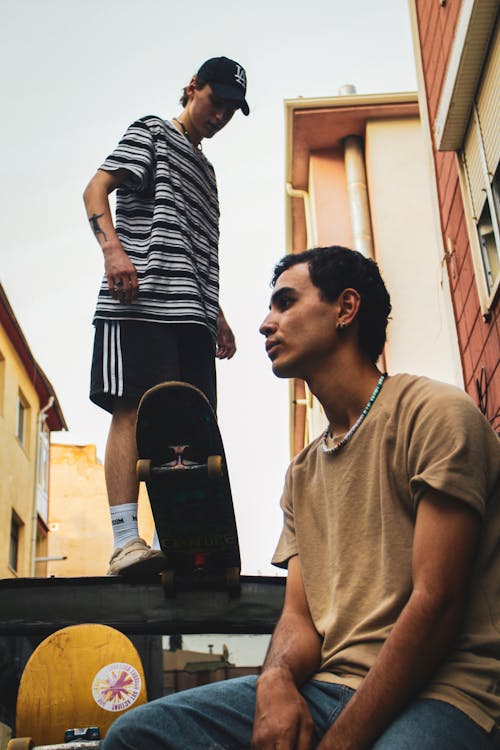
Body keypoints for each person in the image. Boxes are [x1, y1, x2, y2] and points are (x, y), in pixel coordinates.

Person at [102, 246, 500, 749]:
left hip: (445, 690)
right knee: (137, 736)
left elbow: (437, 603)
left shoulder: (435, 414)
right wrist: (275, 681)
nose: (266, 324)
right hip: (327, 689)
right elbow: (299, 616)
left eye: (285, 303)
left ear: (345, 309)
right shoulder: (303, 472)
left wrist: (339, 743)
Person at [83, 57, 249, 577]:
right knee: (134, 409)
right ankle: (126, 541)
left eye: (230, 108)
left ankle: (174, 541)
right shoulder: (151, 132)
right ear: (191, 88)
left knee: (190, 431)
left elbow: (193, 245)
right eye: (214, 101)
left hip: (191, 317)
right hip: (141, 304)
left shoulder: (208, 173)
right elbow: (95, 190)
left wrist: (215, 311)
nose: (220, 114)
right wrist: (113, 252)